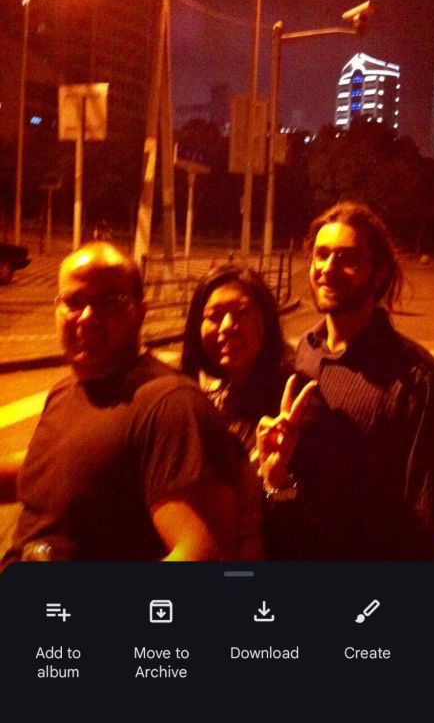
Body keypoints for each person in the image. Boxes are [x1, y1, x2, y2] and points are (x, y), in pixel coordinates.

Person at [0, 243, 248, 566]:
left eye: (109, 301)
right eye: (73, 301)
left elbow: (203, 555)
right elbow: (60, 467)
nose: (87, 317)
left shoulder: (172, 404)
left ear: (140, 312)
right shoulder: (67, 389)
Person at [257, 202, 434, 560]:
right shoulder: (306, 349)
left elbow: (424, 522)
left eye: (347, 258)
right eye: (321, 255)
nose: (328, 269)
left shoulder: (416, 379)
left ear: (379, 274)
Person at [181, 264, 293, 455]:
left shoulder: (292, 406)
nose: (226, 326)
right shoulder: (206, 396)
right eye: (213, 316)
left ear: (266, 319)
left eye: (242, 312)